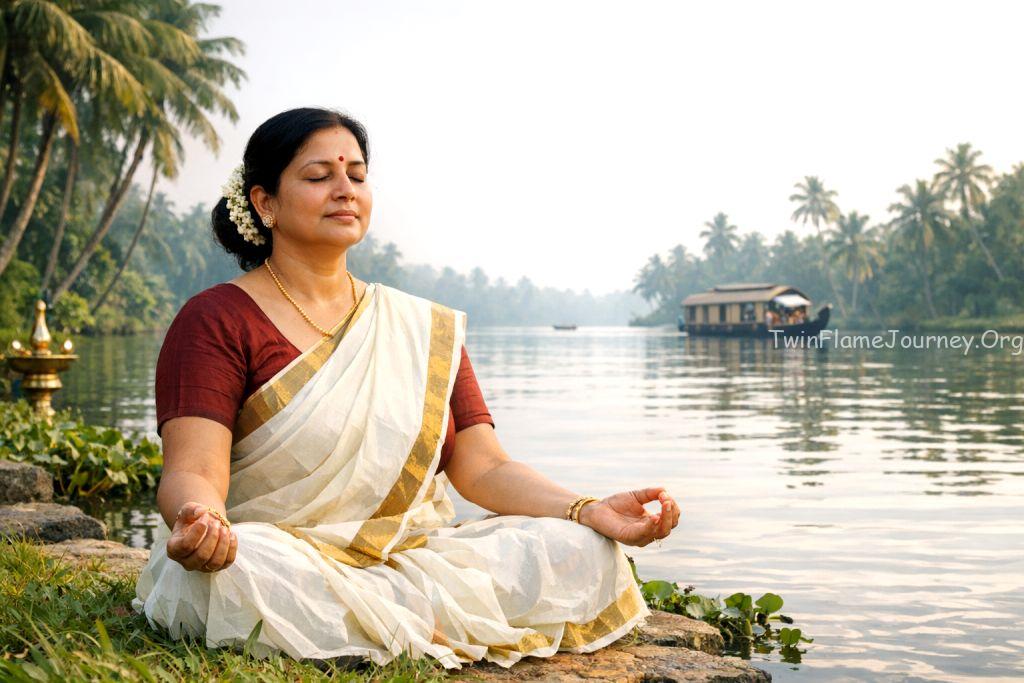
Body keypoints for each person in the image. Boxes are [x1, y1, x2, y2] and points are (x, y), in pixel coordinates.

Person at [132, 107, 679, 670]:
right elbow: (193, 470)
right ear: (264, 202)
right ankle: (416, 621)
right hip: (281, 554)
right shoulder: (216, 319)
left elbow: (483, 468)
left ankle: (392, 619)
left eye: (358, 176)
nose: (346, 190)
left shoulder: (419, 327)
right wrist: (202, 521)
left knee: (580, 549)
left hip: (404, 556)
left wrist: (586, 509)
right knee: (235, 572)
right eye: (320, 176)